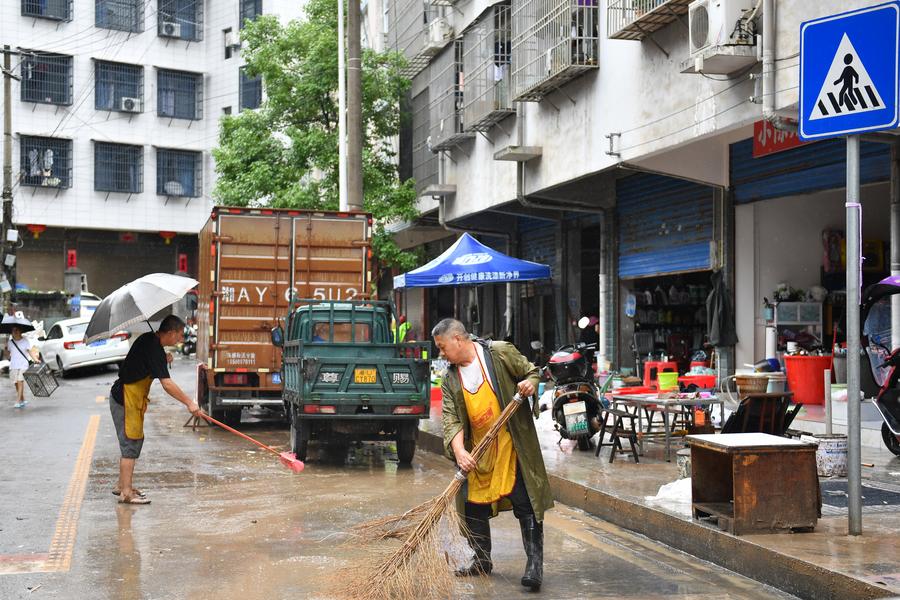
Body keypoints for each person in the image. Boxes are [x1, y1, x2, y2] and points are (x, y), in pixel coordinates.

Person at [433, 318, 553, 592]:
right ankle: (481, 560)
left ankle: (534, 565)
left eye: (442, 347)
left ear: (457, 340)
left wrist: (530, 383)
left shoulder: (498, 352)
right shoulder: (450, 379)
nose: (441, 353)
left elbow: (531, 371)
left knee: (525, 501)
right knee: (473, 506)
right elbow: (451, 419)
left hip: (510, 443)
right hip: (479, 449)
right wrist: (460, 452)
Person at [109, 315, 203, 505]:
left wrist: (162, 359)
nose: (180, 339)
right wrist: (189, 403)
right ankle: (126, 493)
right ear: (171, 333)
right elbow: (167, 384)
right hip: (125, 400)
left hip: (128, 399)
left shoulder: (150, 341)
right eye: (179, 335)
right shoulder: (154, 347)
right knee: (130, 443)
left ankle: (122, 485)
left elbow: (143, 363)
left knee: (133, 441)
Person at [8, 326, 35, 408]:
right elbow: (8, 354)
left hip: (23, 364)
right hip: (14, 365)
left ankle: (18, 401)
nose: (15, 332)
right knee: (16, 383)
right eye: (13, 330)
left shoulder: (25, 341)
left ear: (20, 331)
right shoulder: (10, 342)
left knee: (20, 381)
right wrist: (6, 350)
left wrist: (35, 359)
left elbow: (30, 351)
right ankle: (23, 399)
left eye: (16, 330)